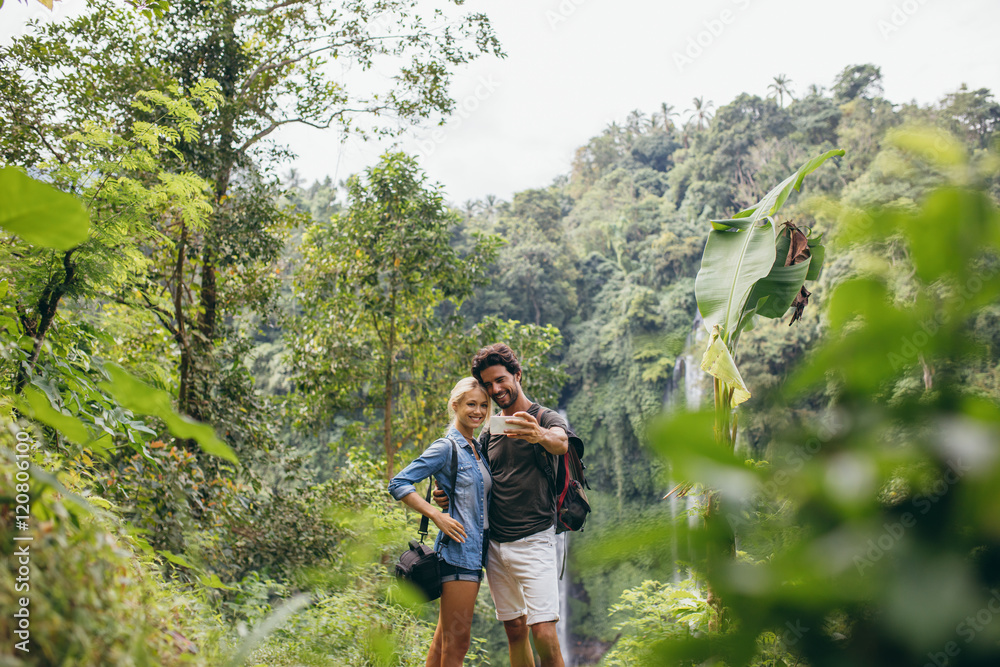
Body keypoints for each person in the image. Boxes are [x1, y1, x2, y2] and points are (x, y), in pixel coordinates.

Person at [438, 343, 580, 667]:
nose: (495, 389)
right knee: (515, 630)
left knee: (543, 632)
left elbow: (561, 442)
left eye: (501, 379)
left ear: (518, 374)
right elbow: (478, 480)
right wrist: (448, 496)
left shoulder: (543, 418)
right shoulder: (489, 431)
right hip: (495, 546)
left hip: (534, 541)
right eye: (488, 384)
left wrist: (539, 435)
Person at [388, 377, 493, 667]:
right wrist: (436, 514)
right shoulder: (447, 447)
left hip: (475, 552)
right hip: (458, 554)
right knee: (457, 643)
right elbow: (399, 483)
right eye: (471, 404)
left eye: (484, 405)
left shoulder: (476, 448)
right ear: (455, 405)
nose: (478, 411)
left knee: (441, 644)